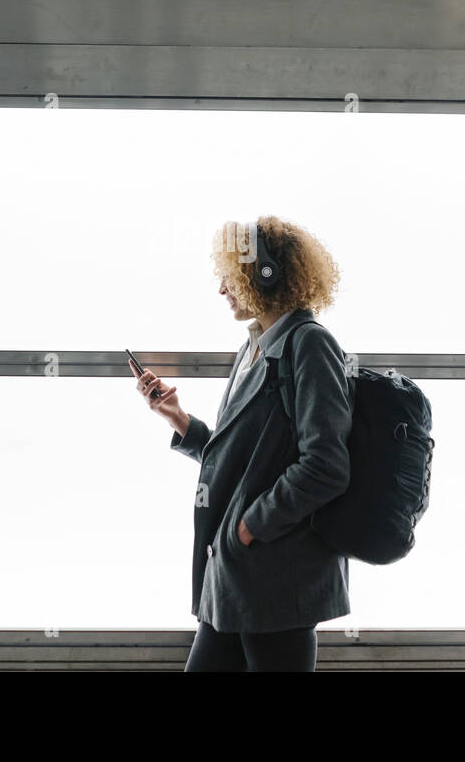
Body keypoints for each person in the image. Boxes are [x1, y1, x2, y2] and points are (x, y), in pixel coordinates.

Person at [131, 215, 353, 671]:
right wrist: (177, 419)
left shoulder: (309, 345)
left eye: (229, 276)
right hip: (235, 577)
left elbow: (326, 465)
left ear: (265, 273)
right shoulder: (254, 346)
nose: (221, 289)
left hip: (275, 579)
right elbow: (241, 460)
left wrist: (250, 526)